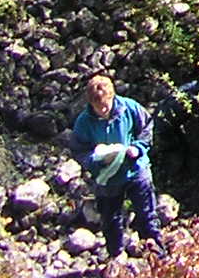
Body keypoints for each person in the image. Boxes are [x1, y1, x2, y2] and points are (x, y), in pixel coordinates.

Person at [69, 72, 163, 262]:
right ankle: (116, 258)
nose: (103, 110)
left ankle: (156, 255)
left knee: (147, 215)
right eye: (98, 107)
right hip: (107, 177)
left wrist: (137, 148)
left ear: (112, 97)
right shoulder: (84, 122)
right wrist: (95, 161)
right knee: (110, 220)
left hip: (136, 170)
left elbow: (147, 128)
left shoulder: (129, 107)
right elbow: (79, 150)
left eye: (106, 105)